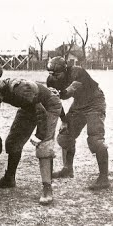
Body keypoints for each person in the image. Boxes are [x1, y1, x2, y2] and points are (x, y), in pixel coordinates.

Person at [0, 74, 62, 205]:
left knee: (43, 147)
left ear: (1, 86)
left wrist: (40, 135)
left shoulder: (19, 89)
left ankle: (47, 188)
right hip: (29, 106)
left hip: (48, 106)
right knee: (13, 141)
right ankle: (9, 178)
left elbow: (40, 111)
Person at [46, 56, 110, 190]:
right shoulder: (51, 80)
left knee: (95, 139)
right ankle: (67, 169)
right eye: (52, 74)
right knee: (64, 136)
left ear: (65, 70)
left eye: (57, 74)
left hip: (94, 102)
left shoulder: (77, 72)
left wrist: (60, 93)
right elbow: (55, 102)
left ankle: (103, 178)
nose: (54, 77)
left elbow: (67, 93)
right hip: (79, 104)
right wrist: (63, 120)